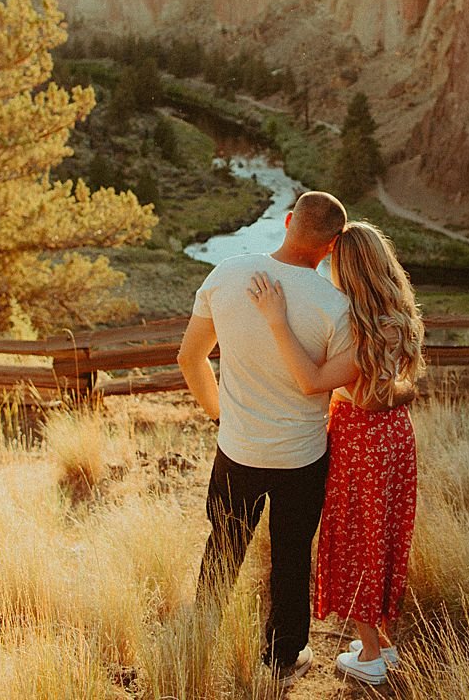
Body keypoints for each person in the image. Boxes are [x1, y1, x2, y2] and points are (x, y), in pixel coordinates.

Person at [178, 191, 414, 684]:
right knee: (290, 556)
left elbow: (189, 358)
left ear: (287, 221)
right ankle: (284, 660)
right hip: (303, 458)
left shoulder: (228, 273)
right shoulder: (338, 307)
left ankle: (199, 641)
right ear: (331, 247)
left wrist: (222, 416)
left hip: (237, 449)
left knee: (223, 545)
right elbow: (353, 383)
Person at [246, 220, 423, 687]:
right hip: (395, 439)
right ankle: (383, 643)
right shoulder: (398, 314)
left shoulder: (362, 327)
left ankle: (370, 656)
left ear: (350, 269)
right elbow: (394, 387)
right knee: (383, 535)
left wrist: (277, 320)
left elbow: (322, 383)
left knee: (358, 538)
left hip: (362, 440)